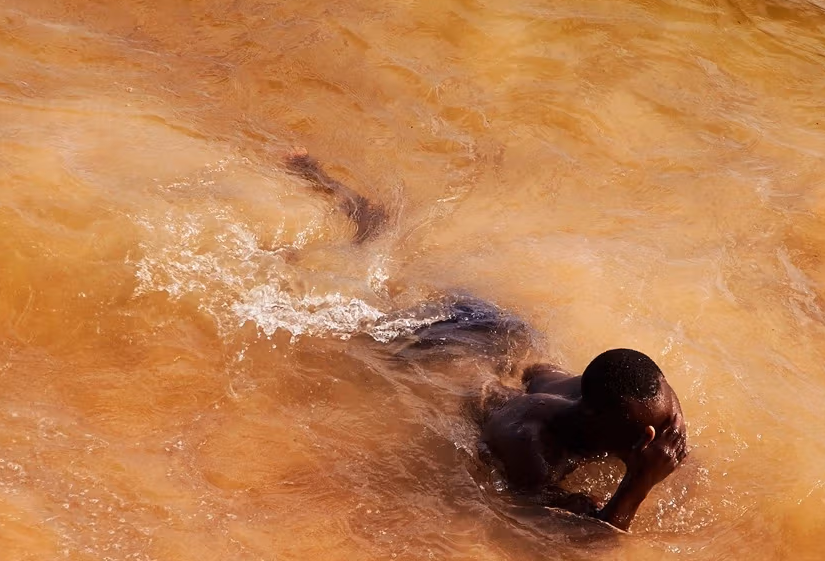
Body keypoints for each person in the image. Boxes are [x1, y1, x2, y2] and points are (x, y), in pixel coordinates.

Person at [283, 150, 689, 531]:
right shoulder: (529, 444)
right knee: (352, 299)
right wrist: (638, 485)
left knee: (395, 270)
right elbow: (582, 546)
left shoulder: (606, 406)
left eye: (672, 418)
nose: (676, 432)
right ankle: (304, 215)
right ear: (639, 439)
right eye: (666, 427)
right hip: (442, 347)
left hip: (500, 329)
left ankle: (337, 193)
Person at [476, 348, 689, 531]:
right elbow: (595, 542)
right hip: (479, 379)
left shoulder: (646, 401)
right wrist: (640, 481)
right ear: (600, 426)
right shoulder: (532, 450)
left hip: (537, 372)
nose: (663, 440)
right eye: (646, 436)